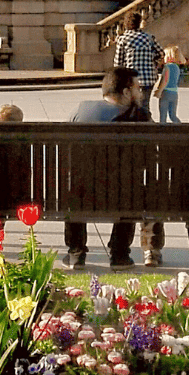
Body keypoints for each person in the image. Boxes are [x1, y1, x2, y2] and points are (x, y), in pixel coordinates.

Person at [61, 68, 153, 269]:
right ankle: (119, 254)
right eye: (138, 88)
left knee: (75, 185)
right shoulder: (139, 115)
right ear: (127, 92)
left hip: (82, 194)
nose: (142, 93)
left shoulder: (81, 111)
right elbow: (151, 157)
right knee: (132, 186)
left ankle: (76, 252)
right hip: (123, 195)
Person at [113, 16, 163, 119]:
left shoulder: (123, 39)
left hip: (131, 79)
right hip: (149, 78)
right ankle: (147, 124)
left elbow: (118, 62)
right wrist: (153, 60)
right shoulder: (149, 37)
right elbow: (161, 53)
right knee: (145, 105)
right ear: (139, 23)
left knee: (130, 105)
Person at [154, 45, 185, 123]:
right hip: (174, 93)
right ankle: (180, 128)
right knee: (173, 115)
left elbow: (165, 80)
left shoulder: (167, 67)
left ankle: (162, 131)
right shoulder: (177, 67)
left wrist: (159, 91)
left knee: (163, 116)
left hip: (166, 92)